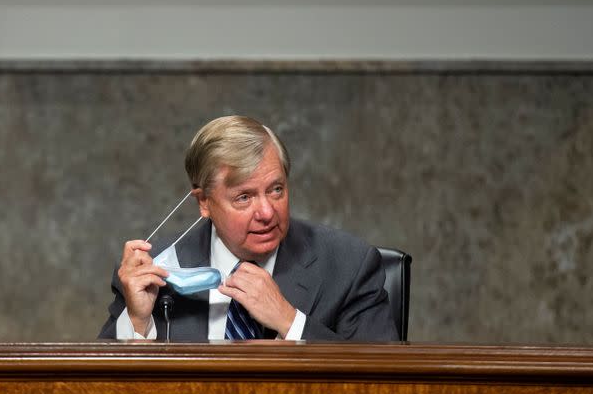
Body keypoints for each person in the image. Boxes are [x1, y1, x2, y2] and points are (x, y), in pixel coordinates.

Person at [98, 115, 397, 341]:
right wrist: (138, 323)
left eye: (276, 190)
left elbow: (386, 384)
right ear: (204, 202)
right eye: (244, 197)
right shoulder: (157, 267)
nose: (267, 212)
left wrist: (291, 322)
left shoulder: (348, 265)